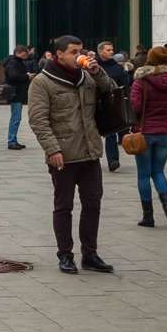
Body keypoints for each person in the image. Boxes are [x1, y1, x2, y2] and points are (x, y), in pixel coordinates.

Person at [27, 34, 116, 275]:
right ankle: (65, 255)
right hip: (63, 155)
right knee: (63, 206)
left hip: (90, 152)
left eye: (81, 50)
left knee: (93, 203)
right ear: (59, 55)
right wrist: (52, 149)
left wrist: (98, 72)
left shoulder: (86, 76)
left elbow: (111, 91)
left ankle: (90, 254)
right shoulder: (42, 82)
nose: (79, 55)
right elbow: (38, 120)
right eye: (73, 51)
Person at [130, 45, 167, 228]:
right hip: (166, 132)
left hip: (145, 131)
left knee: (144, 174)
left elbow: (135, 107)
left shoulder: (141, 80)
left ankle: (148, 216)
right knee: (158, 172)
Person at [97, 40, 131, 173]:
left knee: (111, 133)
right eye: (108, 50)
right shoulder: (94, 66)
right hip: (96, 103)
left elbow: (125, 85)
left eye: (112, 50)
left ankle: (113, 160)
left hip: (112, 104)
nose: (111, 52)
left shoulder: (117, 67)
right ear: (100, 51)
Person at [3, 45, 32, 150]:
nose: (26, 55)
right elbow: (13, 76)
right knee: (16, 118)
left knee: (16, 118)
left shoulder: (16, 62)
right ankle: (11, 141)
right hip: (15, 93)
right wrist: (27, 76)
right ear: (19, 53)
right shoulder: (13, 63)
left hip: (17, 93)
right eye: (25, 53)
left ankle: (13, 140)